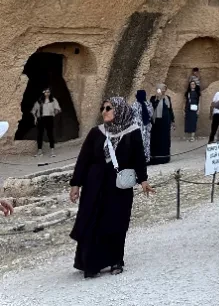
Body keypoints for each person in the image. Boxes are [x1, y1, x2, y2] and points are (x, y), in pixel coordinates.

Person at [69, 97, 154, 278]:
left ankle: (116, 259)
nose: (104, 111)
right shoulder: (96, 132)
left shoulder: (132, 132)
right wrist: (76, 184)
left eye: (109, 108)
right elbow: (83, 159)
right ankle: (92, 263)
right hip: (95, 185)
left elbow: (139, 158)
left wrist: (144, 180)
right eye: (103, 108)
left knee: (116, 222)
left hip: (119, 188)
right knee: (94, 222)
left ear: (120, 110)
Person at [31, 88, 61, 157]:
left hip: (49, 118)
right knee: (39, 135)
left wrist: (53, 113)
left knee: (50, 134)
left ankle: (52, 151)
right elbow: (34, 110)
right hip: (41, 118)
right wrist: (35, 118)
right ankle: (39, 151)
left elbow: (57, 109)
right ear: (43, 93)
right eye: (46, 92)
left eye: (48, 92)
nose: (47, 93)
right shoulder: (39, 101)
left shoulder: (53, 100)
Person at [149, 84, 173, 165]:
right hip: (156, 124)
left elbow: (170, 110)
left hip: (166, 123)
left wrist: (173, 121)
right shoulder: (153, 98)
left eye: (164, 89)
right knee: (156, 139)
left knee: (165, 140)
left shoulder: (167, 98)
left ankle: (165, 157)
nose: (163, 90)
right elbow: (152, 108)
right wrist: (158, 98)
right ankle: (156, 158)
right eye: (161, 89)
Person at [131, 90, 153, 162]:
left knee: (138, 143)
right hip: (146, 126)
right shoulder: (148, 104)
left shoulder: (134, 105)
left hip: (137, 127)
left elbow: (131, 116)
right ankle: (146, 159)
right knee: (146, 143)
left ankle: (138, 159)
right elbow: (151, 114)